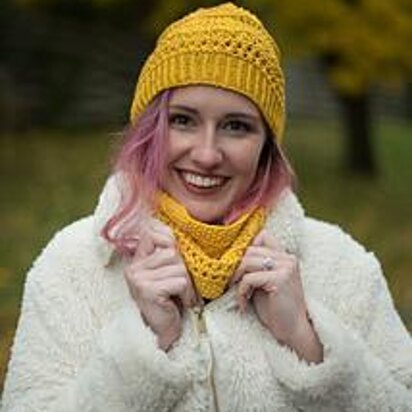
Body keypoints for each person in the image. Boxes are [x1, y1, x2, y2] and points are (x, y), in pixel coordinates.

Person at [1, 3, 411, 411]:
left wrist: (306, 342)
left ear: (267, 144)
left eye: (237, 126)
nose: (208, 154)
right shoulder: (73, 265)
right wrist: (143, 344)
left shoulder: (341, 265)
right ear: (150, 129)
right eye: (183, 120)